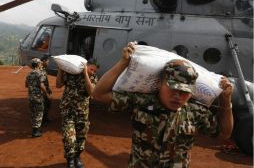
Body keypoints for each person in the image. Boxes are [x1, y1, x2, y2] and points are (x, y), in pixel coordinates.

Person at [92, 42, 234, 168]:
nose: (178, 96)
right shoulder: (142, 102)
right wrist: (123, 63)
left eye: (184, 92)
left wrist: (225, 100)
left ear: (192, 93)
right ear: (160, 83)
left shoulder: (195, 112)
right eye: (173, 88)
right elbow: (99, 94)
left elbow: (223, 134)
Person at [56, 58, 100, 168]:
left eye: (94, 71)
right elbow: (58, 85)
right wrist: (60, 70)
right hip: (68, 110)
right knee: (68, 136)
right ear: (86, 65)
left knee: (81, 136)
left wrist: (86, 74)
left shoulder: (92, 77)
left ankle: (77, 157)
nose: (93, 72)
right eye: (92, 69)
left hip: (82, 112)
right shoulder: (71, 73)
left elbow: (91, 92)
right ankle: (70, 159)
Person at [25, 58, 50, 137]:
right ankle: (36, 131)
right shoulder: (39, 73)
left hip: (31, 97)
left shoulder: (29, 74)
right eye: (39, 63)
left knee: (33, 112)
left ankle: (35, 128)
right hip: (38, 96)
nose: (40, 64)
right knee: (39, 112)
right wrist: (46, 93)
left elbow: (26, 85)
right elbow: (41, 85)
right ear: (38, 64)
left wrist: (32, 85)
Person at [40, 55, 52, 124]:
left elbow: (45, 81)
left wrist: (48, 88)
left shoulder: (43, 69)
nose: (48, 63)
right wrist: (46, 93)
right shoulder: (41, 70)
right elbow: (41, 83)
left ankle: (45, 118)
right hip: (42, 91)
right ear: (44, 61)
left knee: (48, 104)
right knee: (43, 105)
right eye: (47, 62)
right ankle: (42, 120)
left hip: (45, 89)